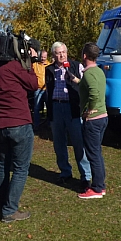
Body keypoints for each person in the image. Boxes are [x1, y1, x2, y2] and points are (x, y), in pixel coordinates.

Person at [0, 32, 39, 222]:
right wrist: (28, 62)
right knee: (21, 168)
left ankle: (2, 201)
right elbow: (33, 84)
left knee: (3, 164)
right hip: (19, 122)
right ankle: (9, 209)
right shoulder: (13, 66)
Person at [45, 42, 91, 191]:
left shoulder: (76, 66)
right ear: (53, 55)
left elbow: (86, 85)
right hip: (56, 107)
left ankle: (86, 176)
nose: (62, 55)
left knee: (78, 143)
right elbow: (48, 91)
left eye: (63, 52)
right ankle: (65, 172)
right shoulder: (49, 70)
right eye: (58, 53)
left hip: (73, 108)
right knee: (59, 143)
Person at [75, 43, 108, 199]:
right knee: (97, 153)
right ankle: (100, 185)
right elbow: (93, 87)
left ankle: (97, 188)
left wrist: (90, 109)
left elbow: (94, 92)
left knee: (93, 154)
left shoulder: (88, 74)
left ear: (84, 56)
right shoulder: (98, 71)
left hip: (93, 120)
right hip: (103, 117)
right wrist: (76, 81)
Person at [32, 49, 50, 128]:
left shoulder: (49, 65)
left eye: (44, 57)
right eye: (42, 57)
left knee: (49, 107)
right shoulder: (35, 65)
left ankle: (49, 124)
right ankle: (36, 124)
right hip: (38, 89)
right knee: (36, 107)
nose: (43, 58)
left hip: (47, 89)